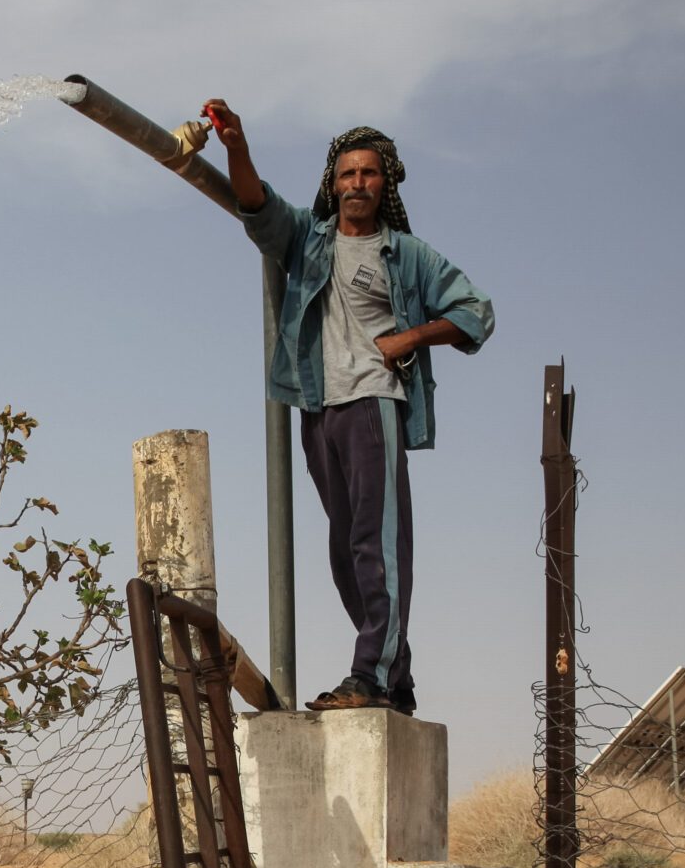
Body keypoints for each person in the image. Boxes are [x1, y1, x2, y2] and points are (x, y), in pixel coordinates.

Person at [202, 102, 494, 714]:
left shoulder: (408, 255)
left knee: (375, 543)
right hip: (318, 408)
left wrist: (410, 338)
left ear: (385, 183)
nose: (356, 184)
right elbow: (257, 206)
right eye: (345, 174)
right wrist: (236, 146)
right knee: (343, 552)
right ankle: (397, 682)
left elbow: (476, 313)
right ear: (331, 185)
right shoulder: (309, 243)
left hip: (374, 406)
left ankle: (369, 676)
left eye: (367, 174)